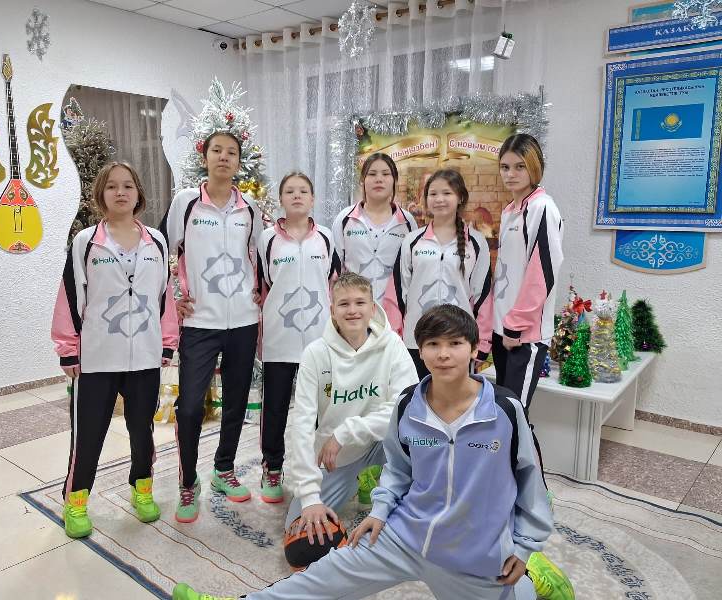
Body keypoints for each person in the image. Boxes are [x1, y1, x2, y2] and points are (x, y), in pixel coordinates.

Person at [172, 304, 551, 600]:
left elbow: (531, 485)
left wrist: (524, 548)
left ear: (474, 349)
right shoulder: (409, 406)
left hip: (472, 556)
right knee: (319, 579)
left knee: (519, 592)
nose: (444, 354)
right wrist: (381, 511)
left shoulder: (504, 411)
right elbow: (398, 471)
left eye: (455, 344)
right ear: (421, 351)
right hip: (405, 536)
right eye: (433, 344)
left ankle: (538, 579)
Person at [52, 161, 178, 538]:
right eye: (111, 186)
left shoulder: (156, 241)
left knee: (142, 431)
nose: (120, 192)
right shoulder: (86, 242)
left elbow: (164, 297)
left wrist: (167, 343)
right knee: (89, 433)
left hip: (145, 357)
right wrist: (68, 348)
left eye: (128, 186)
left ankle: (142, 488)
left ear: (138, 193)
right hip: (97, 358)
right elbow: (70, 296)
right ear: (100, 194)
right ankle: (76, 501)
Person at [159, 131, 263, 523]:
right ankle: (188, 482)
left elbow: (259, 256)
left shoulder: (249, 208)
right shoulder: (186, 202)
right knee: (189, 407)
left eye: (231, 152)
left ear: (238, 161)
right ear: (206, 157)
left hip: (243, 321)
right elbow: (164, 251)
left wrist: (260, 292)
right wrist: (174, 297)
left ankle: (224, 469)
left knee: (236, 402)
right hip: (199, 322)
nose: (224, 157)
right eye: (217, 150)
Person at [283, 272, 416, 562]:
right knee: (300, 541)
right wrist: (309, 497)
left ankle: (385, 485)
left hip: (380, 443)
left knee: (418, 437)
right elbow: (301, 424)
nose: (352, 310)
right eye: (344, 304)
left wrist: (346, 432)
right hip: (337, 458)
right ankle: (360, 480)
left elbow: (405, 406)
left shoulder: (392, 345)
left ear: (372, 308)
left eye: (360, 302)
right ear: (332, 310)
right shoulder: (315, 354)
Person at [257, 171, 339, 503]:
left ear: (313, 199)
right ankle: (272, 468)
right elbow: (263, 284)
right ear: (281, 199)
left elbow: (334, 284)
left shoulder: (326, 238)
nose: (297, 196)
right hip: (280, 338)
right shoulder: (267, 239)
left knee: (322, 408)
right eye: (289, 191)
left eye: (303, 191)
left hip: (320, 340)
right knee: (275, 408)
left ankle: (320, 468)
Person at [489, 133, 564, 411]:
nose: (510, 174)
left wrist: (515, 325)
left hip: (523, 333)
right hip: (502, 328)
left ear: (534, 166)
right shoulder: (510, 210)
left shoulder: (541, 208)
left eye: (519, 166)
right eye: (505, 167)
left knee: (514, 413)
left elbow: (542, 273)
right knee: (502, 411)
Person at [399, 168, 492, 379]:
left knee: (453, 396)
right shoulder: (412, 241)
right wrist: (396, 336)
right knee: (417, 394)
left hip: (458, 340)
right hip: (417, 340)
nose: (439, 199)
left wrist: (483, 341)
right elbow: (399, 292)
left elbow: (484, 296)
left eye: (447, 193)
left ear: (460, 198)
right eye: (433, 194)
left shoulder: (476, 242)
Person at [332, 153, 417, 335]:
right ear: (363, 180)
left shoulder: (408, 222)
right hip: (354, 316)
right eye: (372, 174)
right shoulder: (345, 219)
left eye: (385, 174)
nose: (379, 179)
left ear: (394, 181)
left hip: (393, 319)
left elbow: (411, 272)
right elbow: (335, 272)